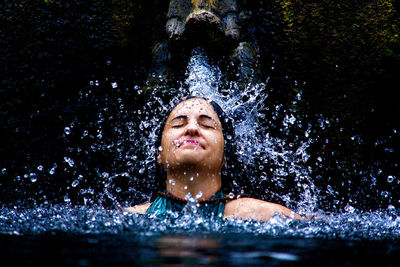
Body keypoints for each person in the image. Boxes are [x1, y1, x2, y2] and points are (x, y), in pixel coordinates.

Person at [124, 96, 302, 221]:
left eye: (207, 125)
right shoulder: (129, 217)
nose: (192, 129)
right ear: (159, 154)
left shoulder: (267, 216)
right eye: (179, 123)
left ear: (225, 155)